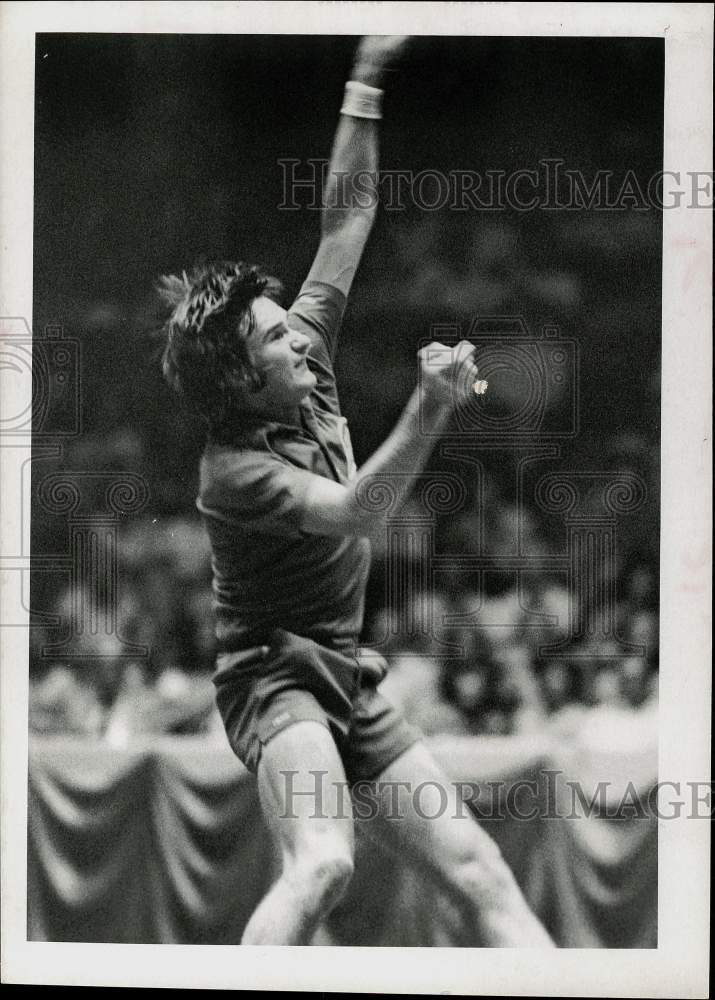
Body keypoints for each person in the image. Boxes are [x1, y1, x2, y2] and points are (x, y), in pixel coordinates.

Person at [159, 36, 553, 947]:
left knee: (480, 874)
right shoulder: (234, 473)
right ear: (236, 380)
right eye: (271, 341)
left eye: (285, 325)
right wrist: (429, 408)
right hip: (270, 678)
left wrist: (364, 79)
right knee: (325, 862)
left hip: (347, 669)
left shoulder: (302, 350)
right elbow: (354, 514)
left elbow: (345, 220)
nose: (297, 338)